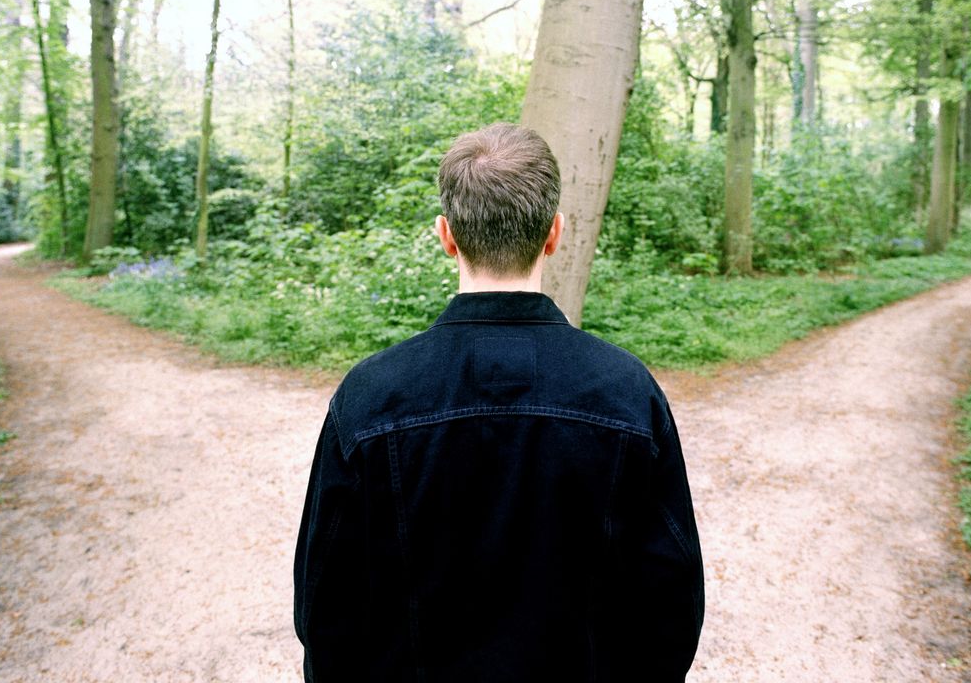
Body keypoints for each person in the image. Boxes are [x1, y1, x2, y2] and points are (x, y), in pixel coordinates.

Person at [293, 123, 704, 682]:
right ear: (555, 233)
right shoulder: (628, 393)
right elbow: (670, 602)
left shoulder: (369, 398)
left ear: (446, 235)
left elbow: (325, 609)